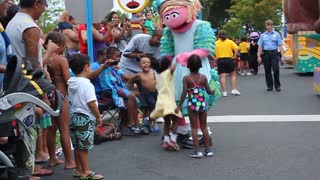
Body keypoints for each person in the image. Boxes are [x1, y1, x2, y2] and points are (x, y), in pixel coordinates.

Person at [6, 0, 54, 178]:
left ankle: (25, 167)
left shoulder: (13, 22)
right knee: (28, 128)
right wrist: (43, 95)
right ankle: (28, 170)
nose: (43, 10)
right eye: (44, 6)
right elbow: (33, 64)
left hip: (13, 82)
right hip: (26, 84)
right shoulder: (29, 27)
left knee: (18, 128)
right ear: (36, 3)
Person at [67, 53, 104, 180]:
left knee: (77, 145)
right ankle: (86, 172)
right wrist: (98, 116)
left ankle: (78, 169)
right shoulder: (86, 84)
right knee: (84, 147)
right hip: (85, 117)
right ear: (86, 67)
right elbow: (91, 103)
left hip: (73, 116)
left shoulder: (71, 82)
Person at [43, 31, 76, 169]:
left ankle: (52, 158)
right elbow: (67, 79)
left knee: (51, 129)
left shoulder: (44, 59)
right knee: (64, 129)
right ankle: (69, 161)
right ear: (60, 45)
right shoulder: (61, 60)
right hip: (60, 95)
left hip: (48, 95)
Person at [175, 55, 214, 158]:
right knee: (204, 127)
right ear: (200, 65)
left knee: (194, 128)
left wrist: (179, 106)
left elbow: (184, 93)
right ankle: (207, 150)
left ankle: (197, 151)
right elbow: (209, 91)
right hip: (202, 104)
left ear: (188, 66)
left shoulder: (186, 78)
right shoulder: (203, 78)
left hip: (192, 104)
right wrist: (213, 91)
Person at [99, 47, 145, 135]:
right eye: (116, 56)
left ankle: (137, 123)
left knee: (133, 97)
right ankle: (131, 123)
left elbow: (123, 77)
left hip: (116, 89)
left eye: (119, 56)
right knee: (130, 96)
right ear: (109, 56)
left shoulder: (116, 68)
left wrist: (137, 77)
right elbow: (109, 83)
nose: (119, 58)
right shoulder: (105, 66)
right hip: (108, 91)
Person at [150, 57, 182, 150]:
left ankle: (166, 141)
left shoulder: (159, 77)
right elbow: (172, 69)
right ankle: (173, 140)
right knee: (176, 120)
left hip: (160, 102)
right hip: (168, 102)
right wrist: (177, 59)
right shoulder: (168, 73)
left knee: (167, 122)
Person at [127, 56, 159, 133]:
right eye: (143, 63)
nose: (146, 64)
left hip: (154, 93)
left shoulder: (153, 73)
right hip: (145, 94)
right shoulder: (139, 74)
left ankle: (151, 122)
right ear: (140, 65)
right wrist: (128, 84)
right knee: (146, 109)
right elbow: (132, 79)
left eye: (148, 62)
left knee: (153, 108)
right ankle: (148, 123)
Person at [257, 20, 285, 92]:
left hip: (274, 53)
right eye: (266, 25)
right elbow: (260, 46)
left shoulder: (276, 34)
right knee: (267, 70)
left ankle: (277, 86)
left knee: (276, 69)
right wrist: (259, 56)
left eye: (269, 25)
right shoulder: (263, 35)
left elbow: (280, 45)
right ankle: (269, 86)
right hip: (266, 54)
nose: (267, 26)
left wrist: (282, 56)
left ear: (272, 26)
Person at [215, 30, 240, 97]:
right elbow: (236, 48)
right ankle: (234, 89)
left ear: (218, 35)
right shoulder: (230, 41)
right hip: (229, 59)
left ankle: (224, 92)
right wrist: (234, 56)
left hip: (220, 60)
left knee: (222, 76)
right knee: (233, 75)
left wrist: (214, 58)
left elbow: (210, 51)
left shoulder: (216, 43)